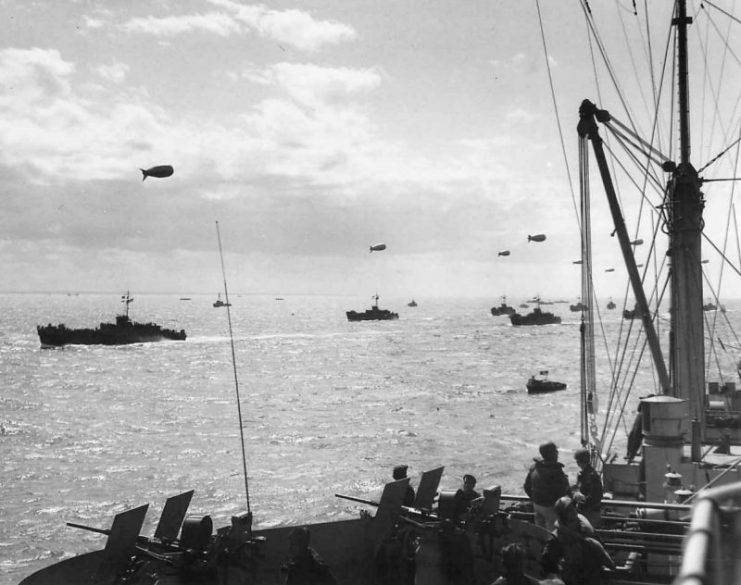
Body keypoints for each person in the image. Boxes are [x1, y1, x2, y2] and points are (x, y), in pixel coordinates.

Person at [540, 497, 614, 585]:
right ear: (563, 515)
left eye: (573, 508)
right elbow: (547, 563)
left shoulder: (586, 528)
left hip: (594, 576)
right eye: (569, 510)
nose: (573, 511)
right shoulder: (557, 539)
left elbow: (600, 546)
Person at [523, 442, 569, 531]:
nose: (557, 453)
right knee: (552, 533)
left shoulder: (535, 467)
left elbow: (527, 486)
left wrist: (534, 498)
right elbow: (563, 491)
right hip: (550, 508)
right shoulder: (556, 471)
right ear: (552, 454)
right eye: (556, 451)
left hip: (537, 505)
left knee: (540, 532)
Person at [572, 448, 603, 528]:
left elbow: (597, 495)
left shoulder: (591, 476)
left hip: (590, 511)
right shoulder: (583, 474)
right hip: (586, 510)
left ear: (579, 462)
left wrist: (583, 499)